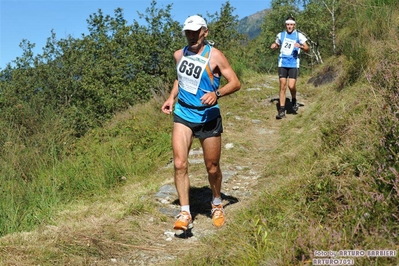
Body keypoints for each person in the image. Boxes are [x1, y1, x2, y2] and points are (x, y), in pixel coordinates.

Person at [161, 15, 241, 230]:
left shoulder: (215, 56)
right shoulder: (180, 55)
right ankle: (185, 212)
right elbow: (180, 79)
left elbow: (235, 82)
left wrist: (217, 93)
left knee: (212, 168)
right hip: (184, 114)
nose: (191, 36)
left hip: (208, 117)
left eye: (195, 32)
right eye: (188, 32)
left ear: (205, 32)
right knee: (179, 163)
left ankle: (216, 202)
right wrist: (171, 98)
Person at [270, 16, 309, 119]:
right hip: (282, 63)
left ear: (294, 25)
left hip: (293, 64)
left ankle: (294, 99)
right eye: (288, 24)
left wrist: (300, 46)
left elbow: (307, 48)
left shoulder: (299, 36)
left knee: (291, 86)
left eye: (291, 24)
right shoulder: (281, 35)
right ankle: (282, 110)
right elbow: (277, 44)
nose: (289, 26)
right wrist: (274, 45)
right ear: (285, 25)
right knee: (282, 86)